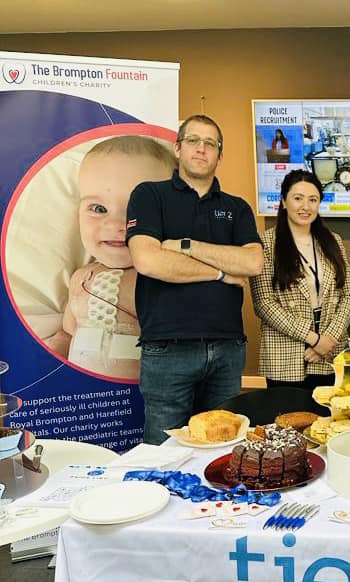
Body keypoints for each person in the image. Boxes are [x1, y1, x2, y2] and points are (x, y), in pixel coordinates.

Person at [126, 114, 264, 444]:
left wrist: (186, 246)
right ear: (178, 148)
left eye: (211, 144)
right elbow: (148, 260)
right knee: (163, 452)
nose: (201, 149)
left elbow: (253, 261)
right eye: (193, 141)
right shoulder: (149, 195)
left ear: (219, 154)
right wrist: (220, 271)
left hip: (227, 350)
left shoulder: (237, 208)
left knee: (223, 449)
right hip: (168, 349)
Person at [45, 136, 176, 380]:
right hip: (87, 402)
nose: (117, 224)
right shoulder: (80, 278)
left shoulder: (161, 280)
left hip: (143, 404)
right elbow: (67, 333)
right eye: (98, 209)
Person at [249, 170, 350, 389]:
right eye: (298, 198)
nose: (305, 206)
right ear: (284, 201)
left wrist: (328, 340)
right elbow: (264, 304)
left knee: (330, 420)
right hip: (285, 355)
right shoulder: (266, 243)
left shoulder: (332, 241)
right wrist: (314, 340)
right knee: (288, 421)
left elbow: (348, 294)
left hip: (330, 353)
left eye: (312, 200)